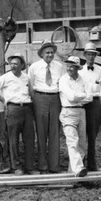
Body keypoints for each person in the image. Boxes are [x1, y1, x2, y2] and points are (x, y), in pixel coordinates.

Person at [0, 54, 36, 175]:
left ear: (22, 65)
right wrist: (3, 100)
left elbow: (31, 92)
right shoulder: (5, 77)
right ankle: (16, 167)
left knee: (29, 139)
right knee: (13, 139)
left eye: (16, 64)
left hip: (27, 108)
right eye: (12, 64)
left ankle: (30, 167)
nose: (13, 66)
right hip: (13, 109)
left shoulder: (26, 78)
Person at [28, 40, 64, 173]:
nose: (49, 55)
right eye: (47, 52)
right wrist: (35, 101)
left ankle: (54, 166)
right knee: (41, 132)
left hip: (55, 98)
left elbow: (63, 83)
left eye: (52, 52)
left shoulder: (59, 66)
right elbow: (30, 86)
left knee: (54, 132)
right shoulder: (34, 67)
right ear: (41, 54)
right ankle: (42, 165)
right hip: (40, 98)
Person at [59, 55, 92, 177]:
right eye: (67, 66)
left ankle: (73, 172)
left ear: (78, 68)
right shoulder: (63, 80)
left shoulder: (84, 80)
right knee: (72, 141)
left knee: (82, 144)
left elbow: (90, 97)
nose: (69, 68)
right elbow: (71, 97)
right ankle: (78, 168)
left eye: (72, 66)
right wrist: (82, 95)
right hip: (68, 112)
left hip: (81, 112)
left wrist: (78, 97)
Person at [79, 42, 101, 171]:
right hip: (82, 104)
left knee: (92, 135)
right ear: (85, 55)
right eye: (89, 55)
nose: (91, 57)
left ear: (95, 56)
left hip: (95, 104)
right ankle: (80, 163)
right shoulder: (79, 70)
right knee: (81, 134)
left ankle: (92, 163)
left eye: (93, 55)